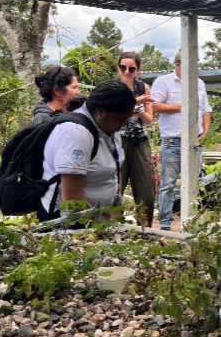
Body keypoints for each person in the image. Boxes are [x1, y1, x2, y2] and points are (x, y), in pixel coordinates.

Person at [38, 80, 135, 222]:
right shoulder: (76, 134)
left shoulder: (108, 128)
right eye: (120, 119)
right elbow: (72, 201)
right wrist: (100, 224)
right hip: (68, 224)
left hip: (97, 220)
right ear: (101, 111)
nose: (123, 125)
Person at [150, 51, 212, 231]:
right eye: (189, 64)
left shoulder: (199, 84)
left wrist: (205, 131)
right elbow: (154, 106)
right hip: (173, 141)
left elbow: (206, 109)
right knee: (168, 184)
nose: (193, 68)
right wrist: (182, 106)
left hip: (195, 141)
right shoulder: (164, 82)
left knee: (193, 182)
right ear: (178, 64)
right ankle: (165, 224)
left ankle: (190, 223)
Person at [116, 52, 157, 227]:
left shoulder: (143, 88)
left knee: (147, 191)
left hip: (139, 140)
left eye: (131, 68)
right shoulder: (113, 87)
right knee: (115, 188)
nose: (127, 71)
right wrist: (134, 102)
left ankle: (144, 230)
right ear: (118, 68)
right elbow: (111, 113)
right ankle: (113, 228)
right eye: (123, 67)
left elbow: (149, 119)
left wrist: (140, 110)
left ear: (138, 70)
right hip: (118, 140)